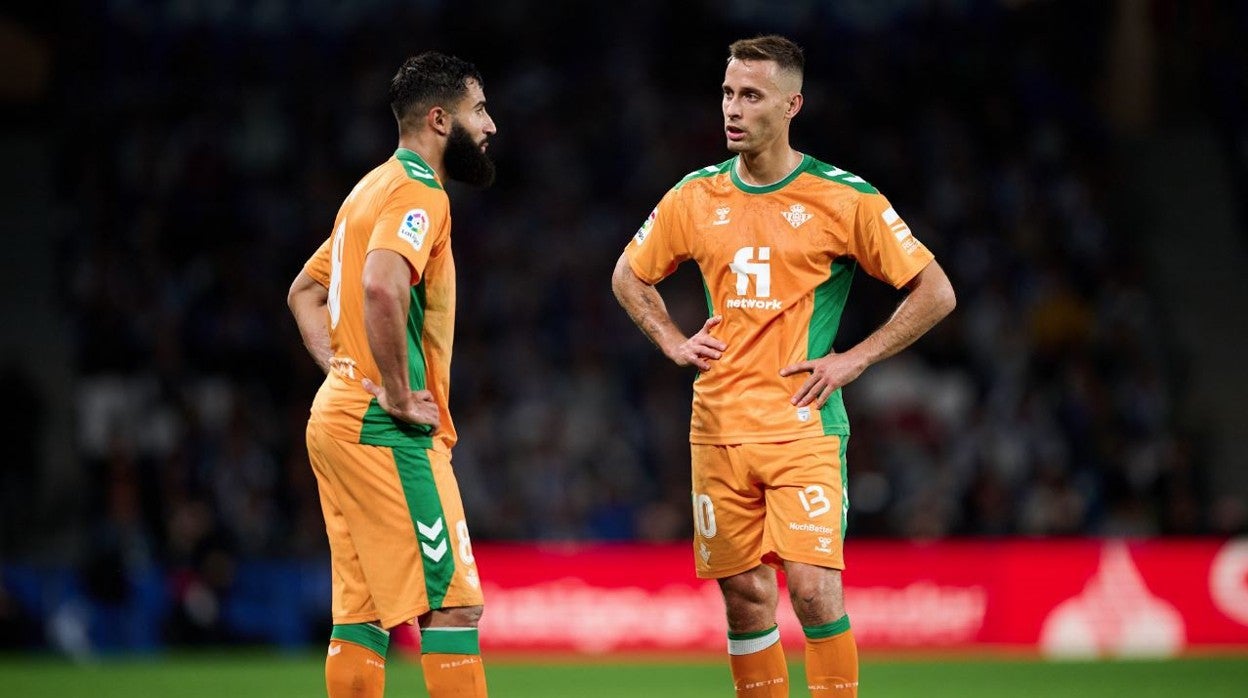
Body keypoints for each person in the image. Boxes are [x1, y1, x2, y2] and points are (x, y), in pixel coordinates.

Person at [612, 35, 956, 697]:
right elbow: (629, 275)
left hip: (802, 428)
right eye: (726, 93)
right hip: (717, 430)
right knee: (744, 597)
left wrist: (856, 358)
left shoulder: (844, 198)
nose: (732, 109)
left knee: (814, 590)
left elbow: (935, 290)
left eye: (751, 95)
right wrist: (670, 339)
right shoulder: (695, 195)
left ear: (792, 104)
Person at [287, 51, 497, 698]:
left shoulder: (366, 190)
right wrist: (398, 394)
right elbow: (382, 287)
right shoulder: (417, 191)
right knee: (453, 605)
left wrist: (344, 370)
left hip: (338, 416)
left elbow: (303, 292)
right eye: (479, 109)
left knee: (361, 618)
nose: (490, 125)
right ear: (440, 119)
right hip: (384, 429)